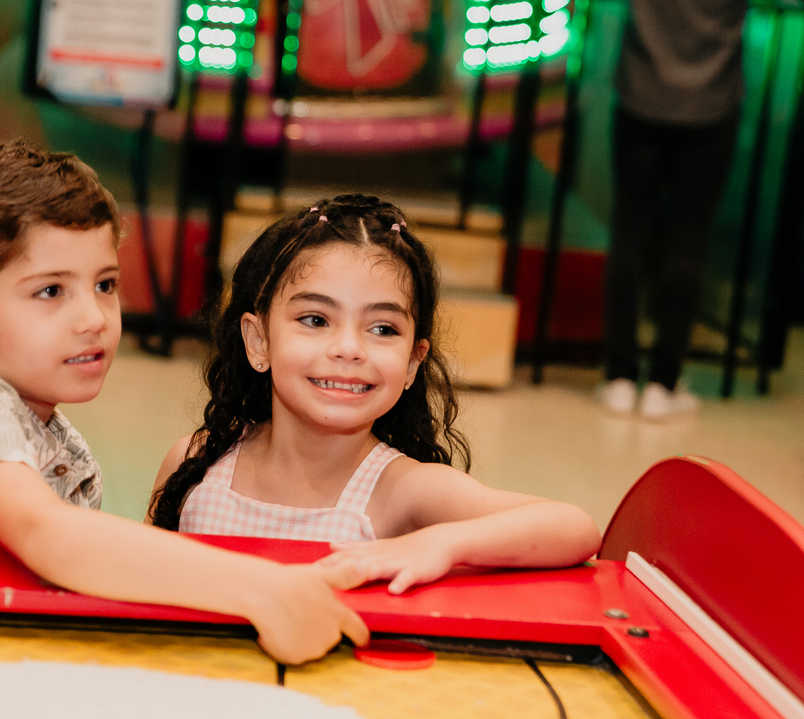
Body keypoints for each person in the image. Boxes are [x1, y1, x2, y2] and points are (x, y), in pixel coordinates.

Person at [0, 140, 368, 664]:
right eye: (51, 291)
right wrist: (261, 589)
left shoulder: (45, 427)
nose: (94, 318)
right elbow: (50, 536)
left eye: (104, 284)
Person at [149, 195, 601, 594]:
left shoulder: (399, 491)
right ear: (258, 341)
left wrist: (442, 542)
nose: (349, 348)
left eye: (383, 329)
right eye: (315, 320)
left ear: (412, 362)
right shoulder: (196, 464)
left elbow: (574, 528)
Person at [600, 0, 755, 419]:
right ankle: (663, 384)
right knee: (689, 243)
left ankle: (619, 377)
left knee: (628, 235)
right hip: (712, 105)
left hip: (640, 95)